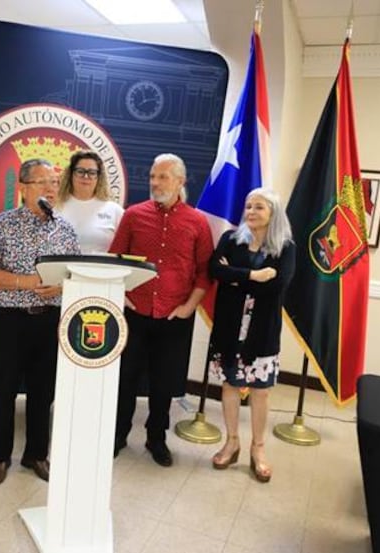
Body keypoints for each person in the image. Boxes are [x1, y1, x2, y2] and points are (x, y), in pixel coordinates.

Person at [0, 158, 81, 485]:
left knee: (43, 391)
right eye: (42, 182)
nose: (50, 188)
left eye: (53, 182)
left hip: (49, 320)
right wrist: (28, 282)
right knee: (4, 390)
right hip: (8, 319)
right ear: (23, 187)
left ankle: (36, 454)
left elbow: (73, 274)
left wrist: (61, 285)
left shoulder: (65, 228)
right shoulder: (2, 224)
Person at [108, 153, 212, 467]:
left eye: (163, 177)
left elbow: (205, 272)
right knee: (125, 379)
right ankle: (118, 434)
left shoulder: (198, 222)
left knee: (163, 383)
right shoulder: (133, 215)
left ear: (180, 181)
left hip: (174, 316)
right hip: (135, 313)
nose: (155, 183)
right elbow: (115, 258)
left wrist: (188, 307)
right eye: (153, 176)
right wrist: (121, 294)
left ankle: (157, 438)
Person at [207, 188, 295, 483]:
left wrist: (235, 277)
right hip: (229, 328)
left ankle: (258, 449)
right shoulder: (230, 240)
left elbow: (278, 286)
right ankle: (232, 442)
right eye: (248, 206)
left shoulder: (285, 247)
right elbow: (214, 272)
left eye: (259, 207)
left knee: (261, 391)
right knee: (230, 385)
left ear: (273, 213)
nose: (251, 211)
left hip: (262, 331)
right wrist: (253, 276)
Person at [55, 149, 124, 253]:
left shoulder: (114, 211)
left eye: (92, 172)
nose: (86, 177)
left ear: (99, 177)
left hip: (102, 268)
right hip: (61, 269)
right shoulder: (55, 207)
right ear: (71, 174)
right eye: (80, 171)